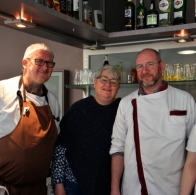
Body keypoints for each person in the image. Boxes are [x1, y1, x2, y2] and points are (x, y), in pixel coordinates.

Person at [110, 48, 196, 195]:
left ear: (162, 66)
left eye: (149, 64)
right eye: (139, 66)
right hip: (135, 187)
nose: (144, 70)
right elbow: (117, 147)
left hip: (174, 187)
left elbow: (195, 148)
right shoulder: (126, 103)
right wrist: (114, 189)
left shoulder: (185, 99)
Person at [0, 43, 60, 195]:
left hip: (38, 188)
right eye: (39, 61)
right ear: (25, 63)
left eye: (49, 63)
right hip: (5, 188)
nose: (45, 67)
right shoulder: (3, 91)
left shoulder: (52, 101)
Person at [51, 65, 121, 195]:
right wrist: (58, 183)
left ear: (118, 87)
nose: (108, 85)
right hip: (74, 183)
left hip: (110, 185)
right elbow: (61, 148)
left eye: (113, 82)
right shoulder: (78, 109)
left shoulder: (123, 110)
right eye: (104, 80)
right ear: (95, 82)